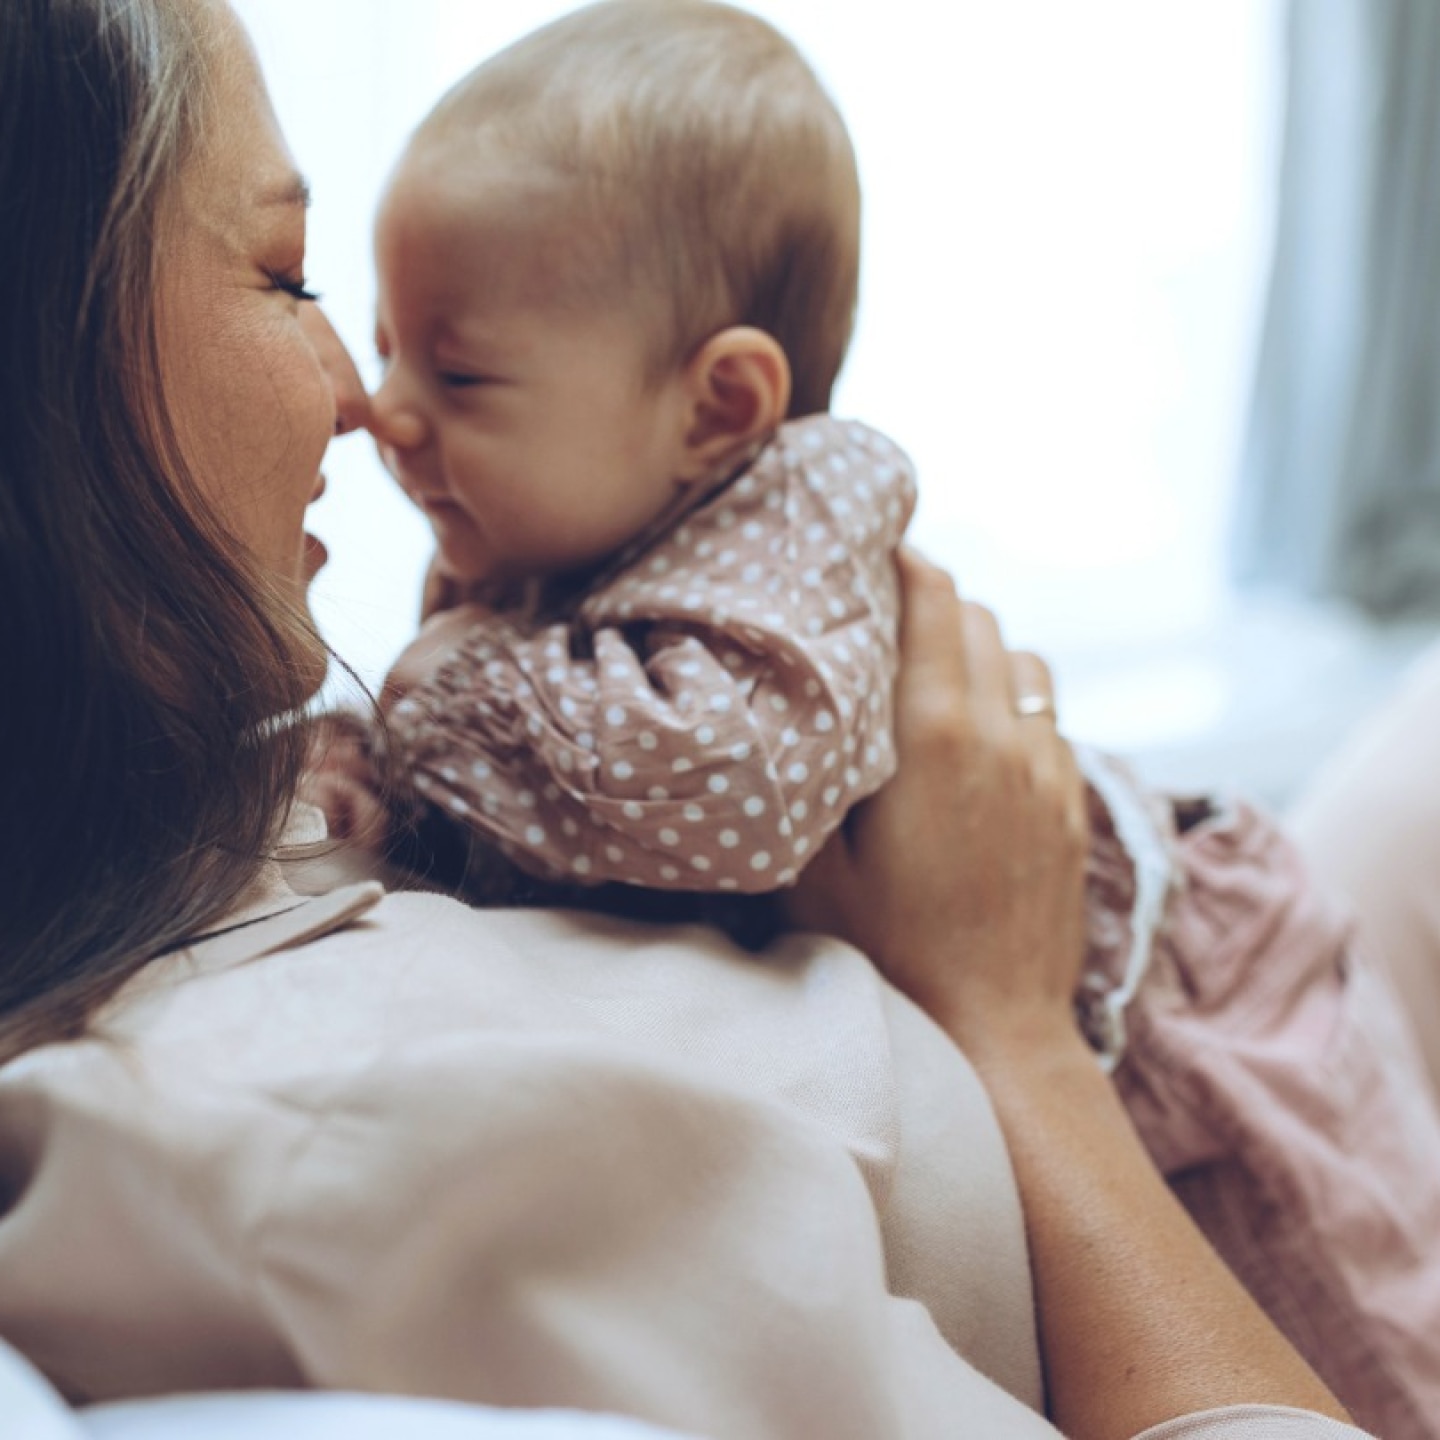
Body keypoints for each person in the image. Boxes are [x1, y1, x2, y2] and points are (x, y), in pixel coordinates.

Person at [0, 0, 1380, 1436]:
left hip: (1205, 979)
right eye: (288, 278)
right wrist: (1010, 1025)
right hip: (1101, 1077)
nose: (369, 399)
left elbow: (733, 768)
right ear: (36, 375)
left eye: (444, 364)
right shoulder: (272, 1155)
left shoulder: (179, 805)